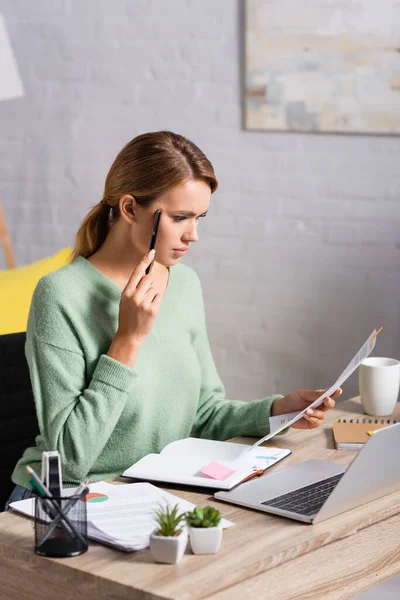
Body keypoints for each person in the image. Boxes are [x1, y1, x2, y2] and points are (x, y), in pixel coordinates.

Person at [6, 131, 341, 510]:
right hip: (68, 502)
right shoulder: (60, 294)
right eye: (180, 218)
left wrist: (277, 410)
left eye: (200, 218)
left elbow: (203, 413)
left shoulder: (183, 283)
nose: (193, 235)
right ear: (130, 209)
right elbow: (68, 459)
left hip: (155, 491)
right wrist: (127, 340)